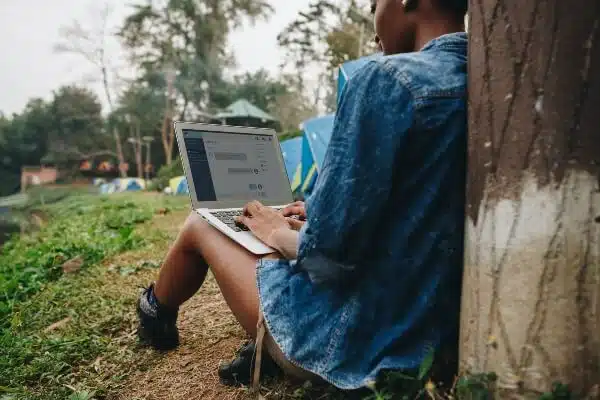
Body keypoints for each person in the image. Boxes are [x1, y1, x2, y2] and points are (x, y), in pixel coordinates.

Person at [136, 0, 468, 392]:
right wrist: (321, 211)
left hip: (359, 345)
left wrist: (276, 230)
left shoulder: (386, 79)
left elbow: (329, 257)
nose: (376, 30)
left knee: (199, 224)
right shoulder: (485, 81)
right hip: (437, 336)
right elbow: (423, 201)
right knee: (281, 237)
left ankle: (154, 312)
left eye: (374, 6)